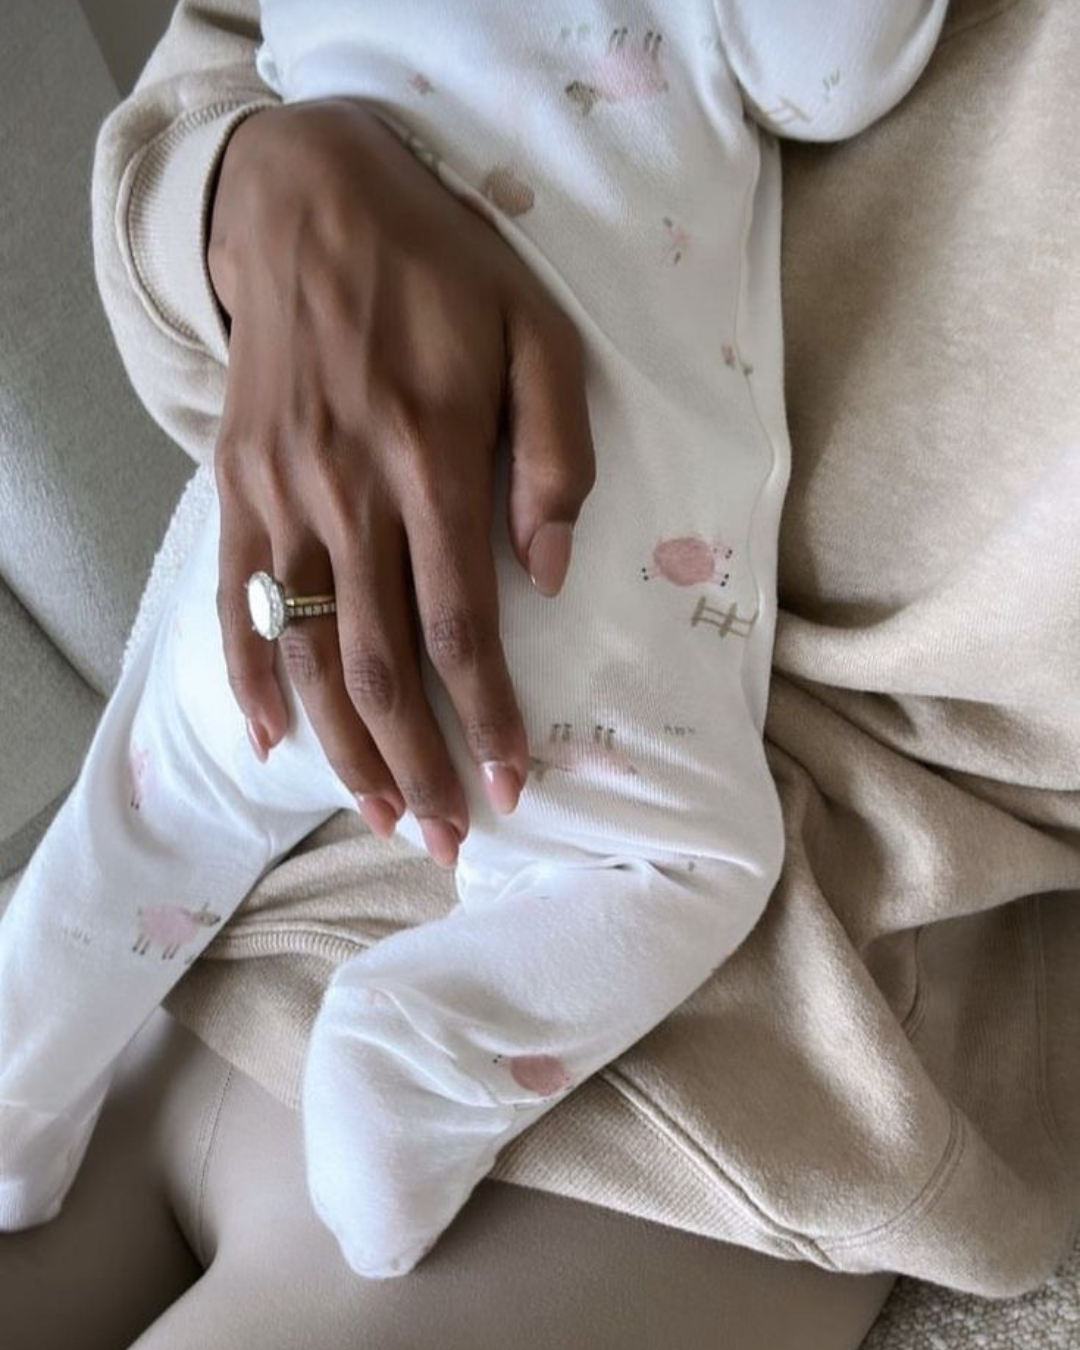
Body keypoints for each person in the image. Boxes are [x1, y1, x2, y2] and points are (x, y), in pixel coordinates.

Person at [0, 0, 951, 1289]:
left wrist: (256, 172)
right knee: (692, 854)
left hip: (289, 543)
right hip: (571, 583)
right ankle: (417, 1049)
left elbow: (234, 73)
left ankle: (16, 1085)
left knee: (144, 816)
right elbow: (835, 68)